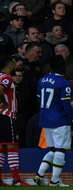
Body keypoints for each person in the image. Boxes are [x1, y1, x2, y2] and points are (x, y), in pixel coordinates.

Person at [33, 55, 73, 187]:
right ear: (63, 66)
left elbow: (38, 101)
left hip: (46, 119)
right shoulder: (64, 82)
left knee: (53, 149)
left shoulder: (41, 80)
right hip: (59, 120)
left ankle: (40, 174)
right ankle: (54, 181)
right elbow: (66, 105)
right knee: (60, 150)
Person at [0, 55, 29, 185]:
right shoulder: (6, 77)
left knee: (1, 149)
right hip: (7, 116)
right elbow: (0, 89)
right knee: (13, 147)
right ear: (10, 66)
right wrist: (4, 102)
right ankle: (17, 180)